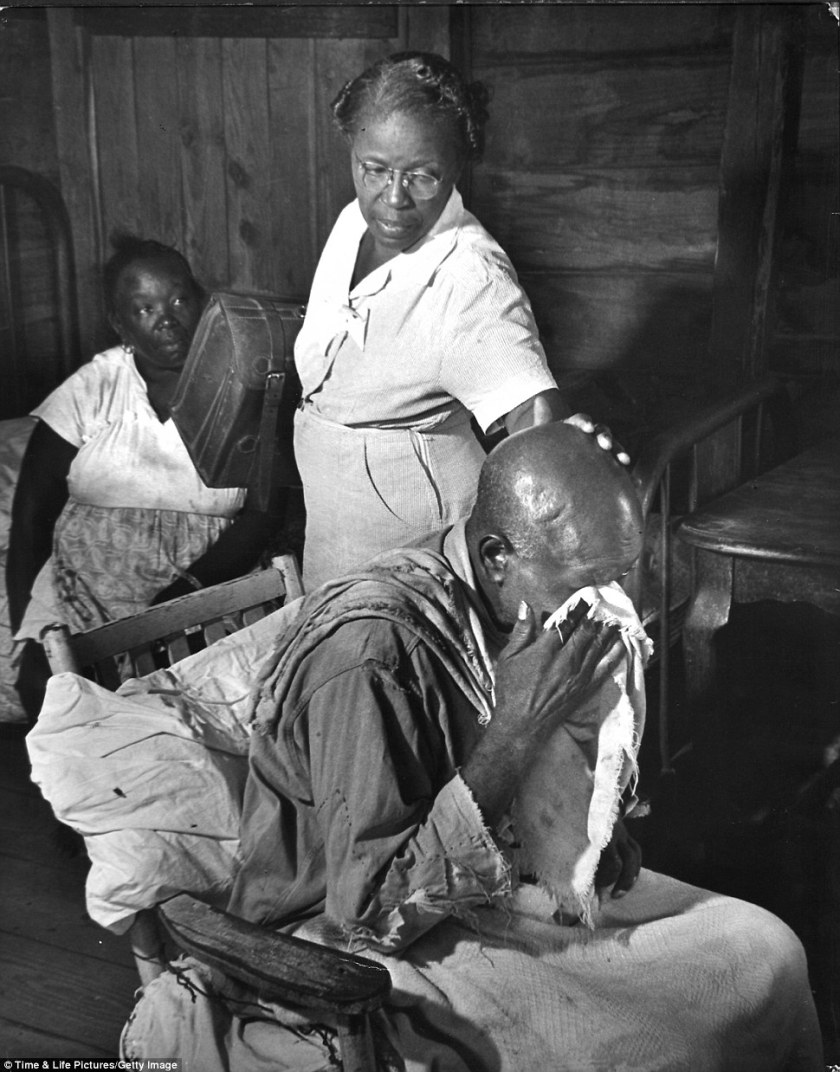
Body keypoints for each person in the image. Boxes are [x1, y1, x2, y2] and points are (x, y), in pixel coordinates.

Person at [122, 423, 822, 1071]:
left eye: (625, 572)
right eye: (590, 581)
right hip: (342, 948)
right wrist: (516, 729)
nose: (616, 602)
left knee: (766, 948)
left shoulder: (507, 595)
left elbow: (541, 795)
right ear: (496, 557)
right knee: (669, 1043)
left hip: (483, 892)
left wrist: (584, 822)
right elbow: (365, 914)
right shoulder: (372, 654)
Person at [294, 51, 627, 589]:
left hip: (416, 555)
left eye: (424, 176)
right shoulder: (353, 222)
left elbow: (537, 423)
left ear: (456, 166)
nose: (394, 198)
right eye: (373, 168)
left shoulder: (469, 278)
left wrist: (565, 451)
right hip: (336, 532)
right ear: (352, 148)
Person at [7, 235, 282, 722]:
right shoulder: (96, 386)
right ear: (120, 323)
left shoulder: (248, 384)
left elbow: (265, 513)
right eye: (145, 308)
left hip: (203, 597)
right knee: (60, 712)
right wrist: (34, 630)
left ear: (204, 305)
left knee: (196, 719)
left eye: (179, 300)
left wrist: (181, 596)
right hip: (80, 599)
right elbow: (31, 517)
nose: (168, 319)